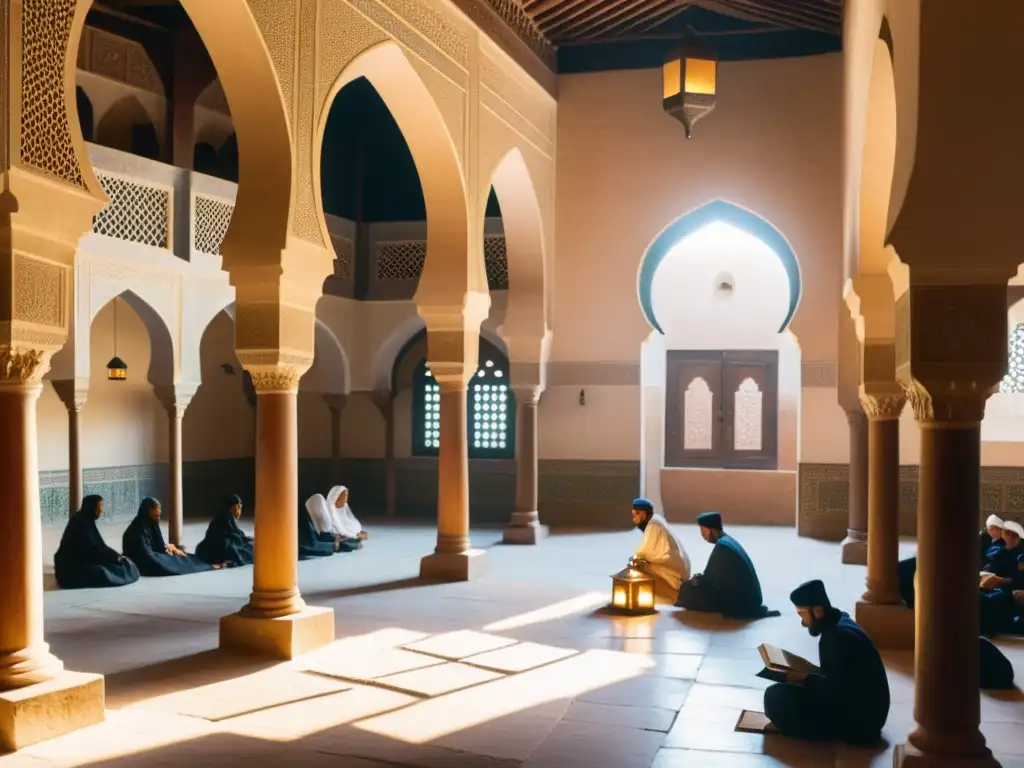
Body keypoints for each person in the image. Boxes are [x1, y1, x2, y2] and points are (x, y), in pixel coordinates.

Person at [763, 580, 890, 745]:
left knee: (774, 697)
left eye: (803, 615)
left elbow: (836, 693)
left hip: (859, 727)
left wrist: (804, 679)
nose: (802, 622)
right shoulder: (841, 623)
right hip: (869, 717)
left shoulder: (836, 639)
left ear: (817, 611)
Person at [675, 512, 779, 619]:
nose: (703, 536)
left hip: (744, 602)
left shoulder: (722, 547)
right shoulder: (727, 540)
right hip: (752, 598)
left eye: (703, 532)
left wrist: (696, 581)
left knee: (687, 589)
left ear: (711, 530)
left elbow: (709, 580)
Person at [54, 495, 140, 589]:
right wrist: (115, 558)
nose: (101, 510)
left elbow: (99, 547)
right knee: (103, 571)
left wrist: (117, 557)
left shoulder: (86, 520)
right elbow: (92, 551)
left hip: (85, 561)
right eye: (100, 506)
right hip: (70, 570)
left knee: (122, 564)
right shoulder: (81, 523)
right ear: (92, 507)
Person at [122, 497, 218, 576]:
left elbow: (157, 545)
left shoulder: (151, 524)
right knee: (173, 562)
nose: (159, 512)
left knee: (183, 556)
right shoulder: (137, 529)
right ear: (149, 510)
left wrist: (169, 549)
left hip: (150, 554)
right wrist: (165, 554)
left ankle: (207, 565)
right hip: (142, 560)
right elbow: (145, 553)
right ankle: (207, 566)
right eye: (157, 509)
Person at [627, 498, 690, 602]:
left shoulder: (654, 524)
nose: (634, 520)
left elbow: (643, 552)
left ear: (642, 514)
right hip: (676, 566)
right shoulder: (656, 519)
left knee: (636, 567)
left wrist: (634, 559)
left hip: (675, 572)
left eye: (635, 516)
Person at [195, 494, 254, 567]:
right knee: (249, 551)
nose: (239, 511)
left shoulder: (224, 518)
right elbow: (228, 539)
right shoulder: (224, 519)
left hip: (208, 550)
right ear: (231, 507)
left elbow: (237, 534)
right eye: (238, 507)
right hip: (219, 550)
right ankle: (227, 563)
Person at [982, 519, 1024, 584]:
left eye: (1014, 536)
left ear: (1019, 538)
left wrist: (1001, 580)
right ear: (1003, 535)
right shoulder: (998, 553)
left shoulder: (1021, 555)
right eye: (1007, 534)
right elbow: (990, 571)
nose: (1010, 537)